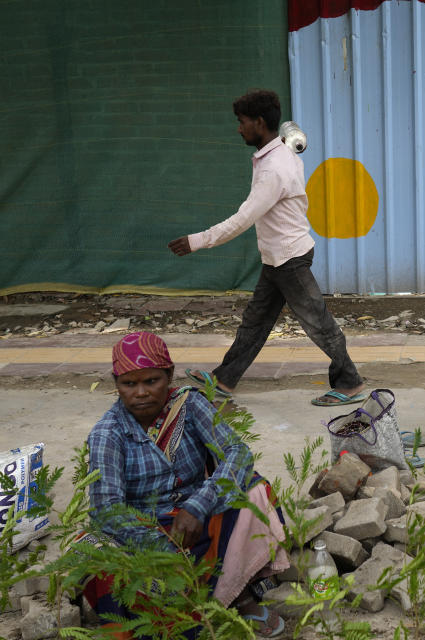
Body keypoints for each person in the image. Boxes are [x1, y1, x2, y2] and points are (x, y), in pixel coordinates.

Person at [167, 89, 364, 407]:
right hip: (278, 257)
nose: (238, 128)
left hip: (289, 259)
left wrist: (197, 241)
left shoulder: (274, 169)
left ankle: (350, 381)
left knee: (317, 322)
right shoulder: (279, 154)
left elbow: (243, 219)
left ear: (259, 123)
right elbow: (287, 131)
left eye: (242, 121)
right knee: (255, 321)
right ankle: (224, 380)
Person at [85, 332, 289, 637]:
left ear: (168, 376)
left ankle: (238, 595)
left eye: (151, 381)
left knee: (254, 491)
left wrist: (197, 506)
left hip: (198, 519)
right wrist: (161, 546)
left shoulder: (188, 404)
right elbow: (107, 510)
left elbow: (237, 452)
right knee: (94, 552)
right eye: (129, 384)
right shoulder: (108, 433)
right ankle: (185, 613)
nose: (141, 393)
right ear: (116, 384)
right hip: (145, 530)